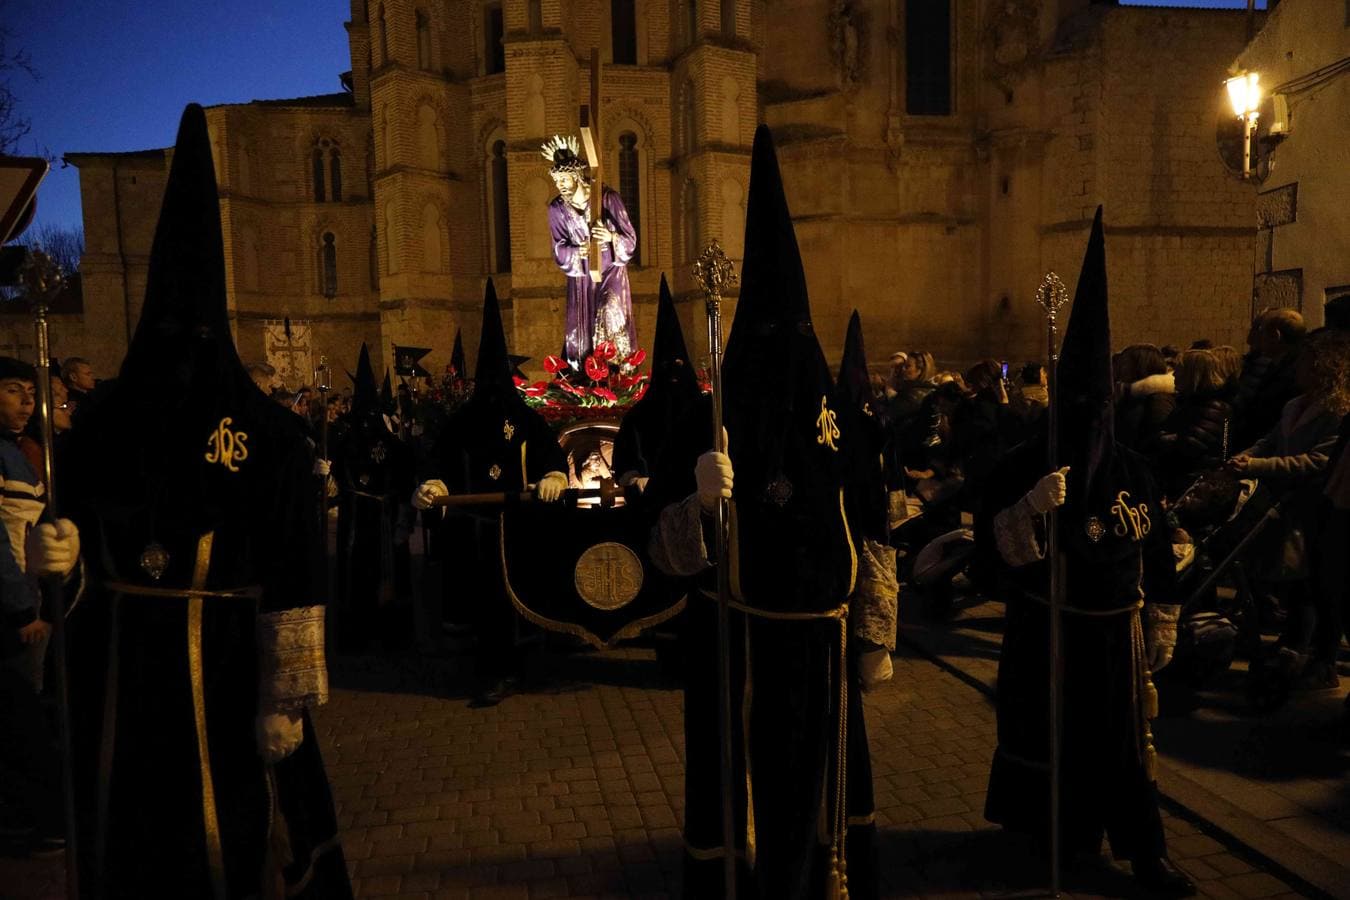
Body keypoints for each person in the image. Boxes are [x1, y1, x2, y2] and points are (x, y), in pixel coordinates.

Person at [63, 105, 351, 899]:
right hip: (128, 685)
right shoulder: (103, 428)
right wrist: (61, 563)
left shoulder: (269, 437)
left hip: (229, 676)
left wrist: (287, 698)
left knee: (244, 846)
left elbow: (295, 568)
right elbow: (78, 541)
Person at [646, 126, 890, 900]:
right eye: (770, 336)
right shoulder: (710, 419)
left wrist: (876, 630)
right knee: (745, 794)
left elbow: (872, 519)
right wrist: (698, 502)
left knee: (818, 801)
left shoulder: (839, 417)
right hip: (739, 647)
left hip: (822, 644)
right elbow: (659, 546)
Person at [975, 209, 1193, 897]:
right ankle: (1055, 836)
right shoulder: (1024, 462)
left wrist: (1163, 617)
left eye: (1101, 409)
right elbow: (990, 544)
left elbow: (1156, 542)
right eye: (1080, 409)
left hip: (1116, 634)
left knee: (1124, 751)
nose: (1092, 424)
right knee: (1052, 741)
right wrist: (1029, 510)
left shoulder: (1133, 467)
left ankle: (1144, 849)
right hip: (1049, 628)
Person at [412, 280, 569, 706]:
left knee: (521, 599)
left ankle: (525, 666)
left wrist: (554, 475)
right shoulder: (461, 422)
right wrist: (433, 486)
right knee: (483, 604)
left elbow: (549, 455)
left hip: (520, 527)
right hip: (473, 530)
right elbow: (437, 463)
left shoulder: (527, 419)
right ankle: (490, 669)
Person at [1229, 326, 1347, 690]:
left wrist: (1257, 467)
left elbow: (1317, 461)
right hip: (1284, 502)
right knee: (1293, 578)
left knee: (1317, 583)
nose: (1297, 370)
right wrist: (1246, 456)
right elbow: (1272, 440)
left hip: (1319, 505)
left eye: (1305, 364)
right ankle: (1294, 644)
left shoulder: (1338, 410)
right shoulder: (1294, 405)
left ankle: (1317, 656)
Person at [333, 344, 416, 652]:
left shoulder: (393, 446)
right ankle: (357, 632)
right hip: (356, 519)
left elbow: (406, 479)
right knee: (358, 574)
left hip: (385, 515)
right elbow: (336, 480)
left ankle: (393, 633)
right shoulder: (343, 443)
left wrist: (404, 520)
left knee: (388, 572)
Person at [542, 134, 640, 364]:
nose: (561, 186)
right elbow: (558, 248)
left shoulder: (607, 199)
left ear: (576, 175)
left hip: (611, 272)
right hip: (582, 279)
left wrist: (611, 237)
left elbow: (631, 240)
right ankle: (586, 376)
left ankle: (616, 372)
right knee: (583, 332)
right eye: (557, 182)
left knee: (609, 313)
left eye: (565, 180)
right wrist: (577, 252)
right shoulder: (557, 209)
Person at [613, 274, 702, 494]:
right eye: (666, 366)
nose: (673, 372)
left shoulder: (704, 413)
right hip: (653, 506)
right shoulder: (638, 418)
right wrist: (634, 478)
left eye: (679, 364)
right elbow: (625, 462)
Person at [1231, 307, 1305, 450]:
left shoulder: (1294, 374)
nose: (1255, 340)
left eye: (1262, 332)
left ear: (1276, 336)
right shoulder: (1278, 366)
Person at [1113, 343, 1174, 458]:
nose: (1120, 368)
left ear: (1138, 367)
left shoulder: (1158, 400)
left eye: (1125, 363)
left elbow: (1155, 443)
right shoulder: (1130, 395)